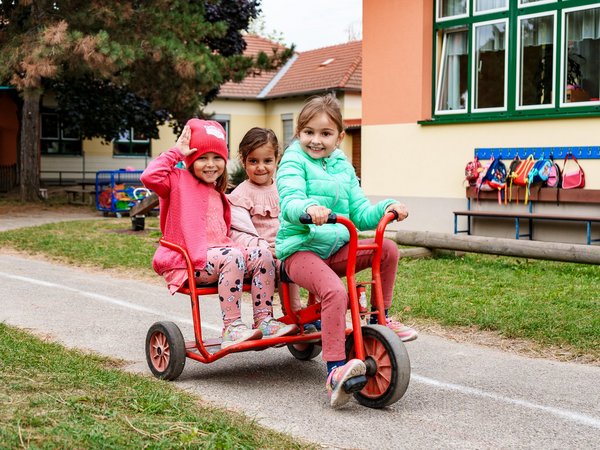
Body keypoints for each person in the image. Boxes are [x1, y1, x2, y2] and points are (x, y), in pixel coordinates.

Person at [275, 94, 417, 408]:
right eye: (308, 132)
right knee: (336, 293)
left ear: (340, 137)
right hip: (300, 251)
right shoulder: (293, 160)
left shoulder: (342, 165)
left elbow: (360, 211)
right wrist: (309, 208)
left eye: (325, 134)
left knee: (387, 249)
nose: (315, 140)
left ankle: (381, 319)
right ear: (299, 133)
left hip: (336, 247)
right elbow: (290, 198)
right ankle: (334, 370)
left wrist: (386, 208)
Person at [141, 119, 298, 349]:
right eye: (202, 158)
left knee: (262, 255)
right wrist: (177, 152)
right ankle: (232, 327)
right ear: (190, 159)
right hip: (189, 262)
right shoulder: (176, 181)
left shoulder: (218, 192)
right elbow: (149, 177)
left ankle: (264, 320)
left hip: (221, 258)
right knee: (232, 257)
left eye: (217, 158)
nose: (210, 164)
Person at [227, 127, 320, 332]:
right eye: (254, 161)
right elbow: (241, 231)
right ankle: (294, 315)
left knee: (315, 261)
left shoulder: (284, 188)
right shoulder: (241, 194)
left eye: (267, 161)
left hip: (289, 245)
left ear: (277, 159)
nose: (261, 167)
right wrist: (265, 248)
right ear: (243, 160)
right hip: (264, 253)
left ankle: (319, 309)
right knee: (287, 265)